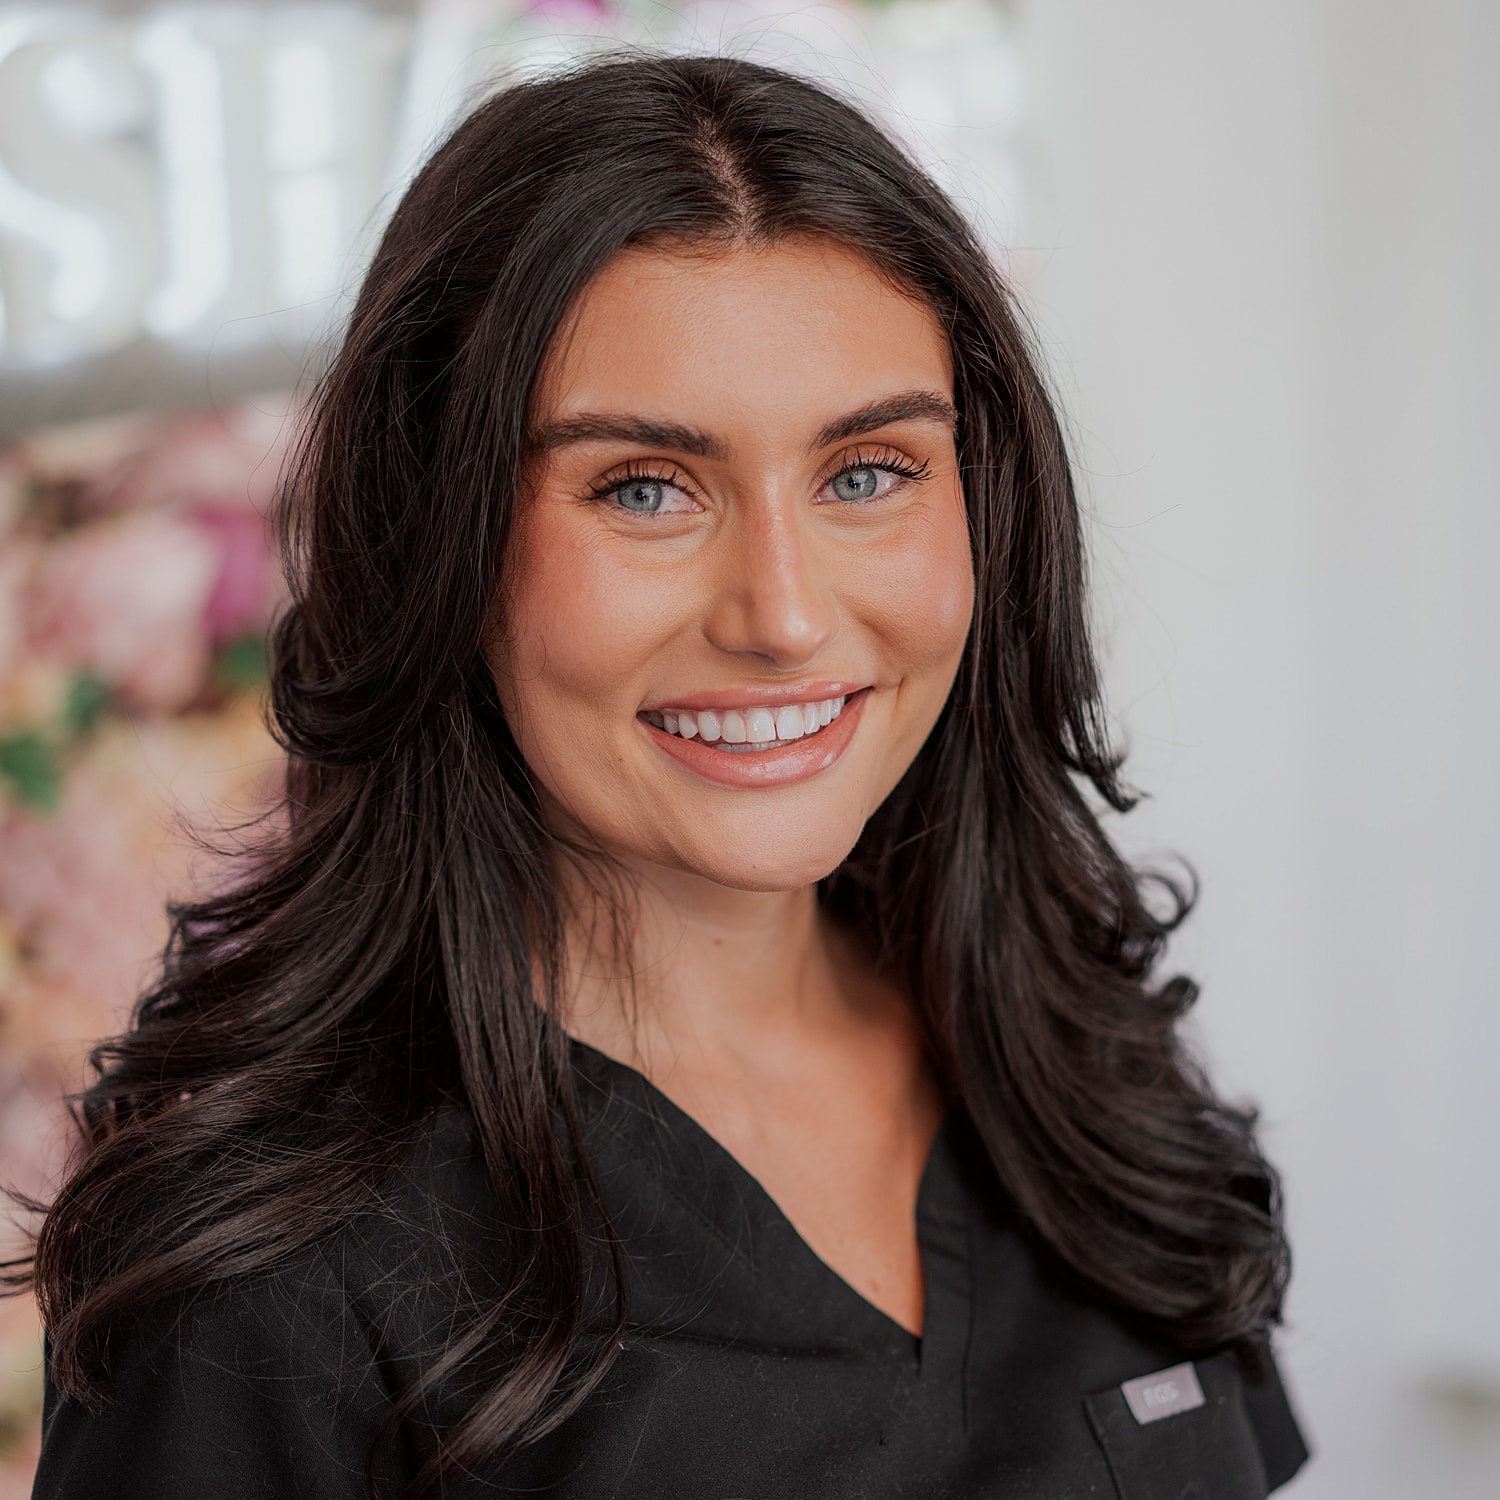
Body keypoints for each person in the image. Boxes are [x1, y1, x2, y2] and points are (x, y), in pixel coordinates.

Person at [21, 54, 1308, 1499]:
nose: (786, 615)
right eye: (643, 487)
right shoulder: (277, 1277)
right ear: (438, 539)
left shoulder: (1084, 1076)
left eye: (868, 471)